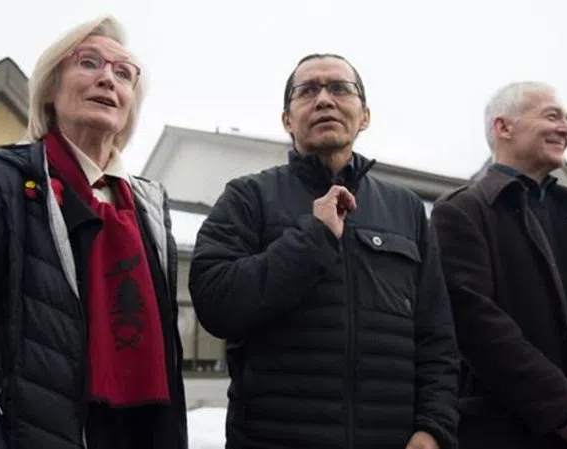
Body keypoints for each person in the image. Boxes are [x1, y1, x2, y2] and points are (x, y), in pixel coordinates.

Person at [0, 15, 187, 449]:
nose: (107, 79)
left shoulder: (149, 207)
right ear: (50, 89)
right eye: (88, 62)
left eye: (123, 73)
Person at [188, 53, 459, 449]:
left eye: (339, 89)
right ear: (287, 120)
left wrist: (433, 427)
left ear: (364, 116)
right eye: (308, 91)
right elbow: (216, 303)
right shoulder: (248, 197)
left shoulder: (405, 208)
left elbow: (437, 335)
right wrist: (313, 238)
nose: (324, 100)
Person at [431, 81, 567, 449]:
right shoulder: (462, 211)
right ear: (504, 127)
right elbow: (474, 322)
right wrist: (565, 410)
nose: (566, 129)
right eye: (552, 117)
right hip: (505, 435)